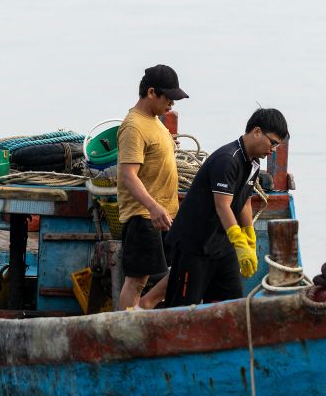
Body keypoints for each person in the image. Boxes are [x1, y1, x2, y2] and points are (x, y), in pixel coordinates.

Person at [161, 108, 288, 307]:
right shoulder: (228, 159)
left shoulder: (253, 163)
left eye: (277, 145)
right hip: (194, 244)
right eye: (272, 143)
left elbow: (245, 201)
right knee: (182, 308)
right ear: (257, 132)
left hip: (221, 244)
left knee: (231, 304)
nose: (272, 149)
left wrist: (249, 237)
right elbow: (222, 206)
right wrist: (239, 241)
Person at [116, 64, 188, 309]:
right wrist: (153, 206)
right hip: (144, 215)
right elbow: (128, 175)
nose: (172, 104)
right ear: (151, 93)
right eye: (168, 98)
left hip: (165, 213)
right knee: (137, 280)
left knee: (182, 264)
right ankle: (124, 325)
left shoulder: (155, 121)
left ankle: (146, 307)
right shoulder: (134, 126)